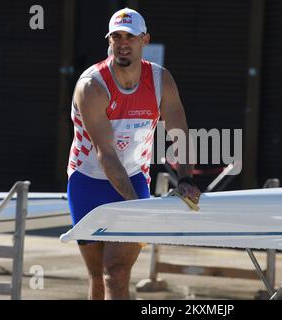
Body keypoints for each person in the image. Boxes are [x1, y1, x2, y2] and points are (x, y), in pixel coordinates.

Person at [66, 8, 201, 300]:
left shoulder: (161, 81)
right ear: (109, 41)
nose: (123, 42)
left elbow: (179, 132)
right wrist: (137, 206)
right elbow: (106, 154)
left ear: (145, 40)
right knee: (97, 276)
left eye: (130, 36)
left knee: (115, 272)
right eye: (116, 36)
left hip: (133, 177)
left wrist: (186, 177)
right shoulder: (92, 86)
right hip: (87, 181)